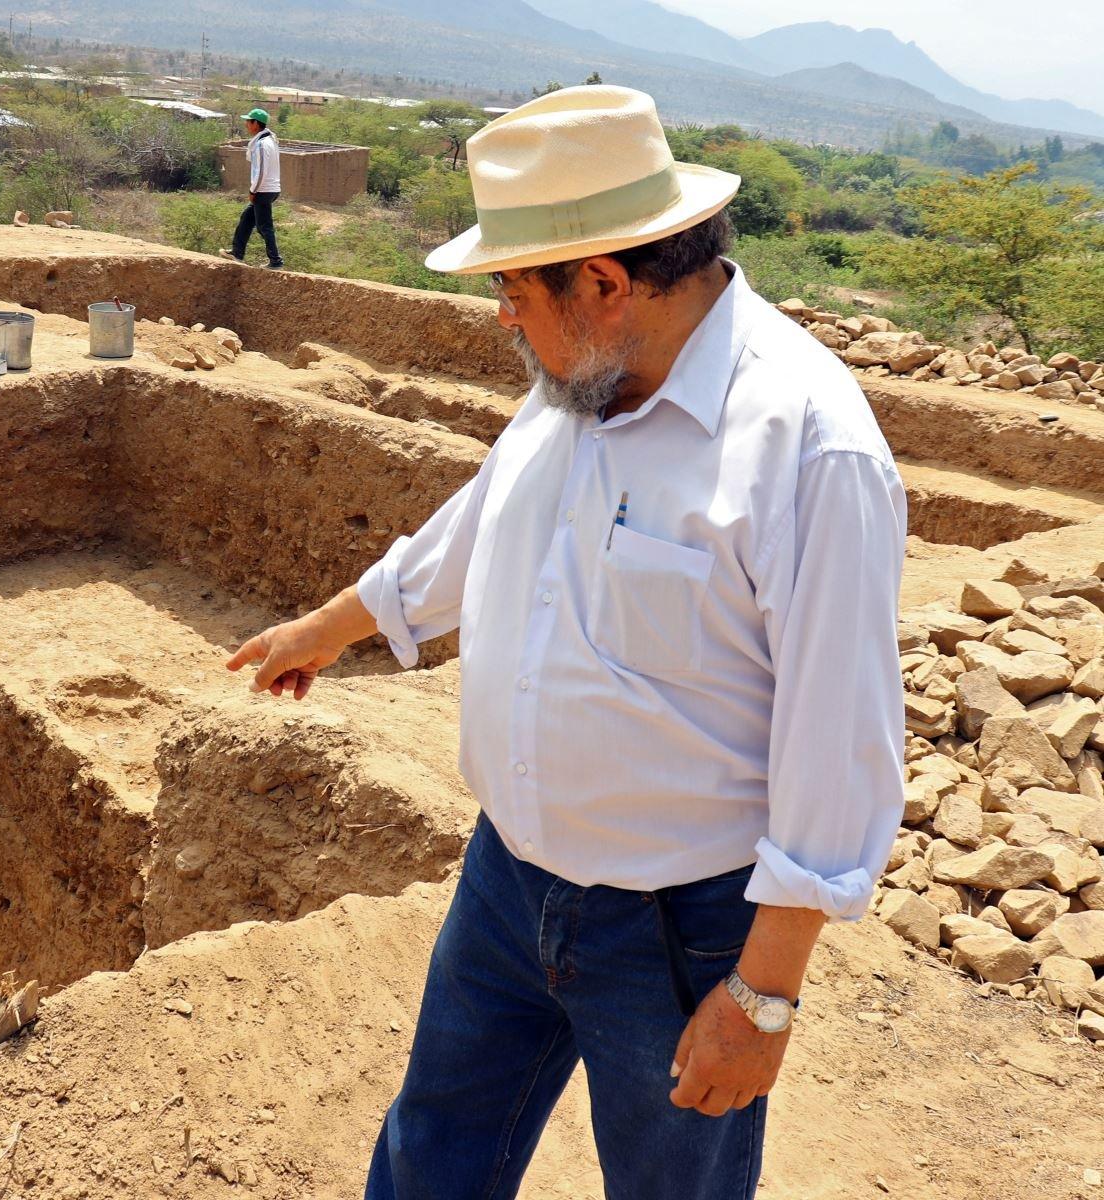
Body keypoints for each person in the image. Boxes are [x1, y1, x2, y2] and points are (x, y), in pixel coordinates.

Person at [226, 85, 906, 1200]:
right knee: (431, 1153)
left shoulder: (808, 449)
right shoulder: (577, 383)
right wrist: (331, 626)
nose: (500, 315)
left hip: (678, 931)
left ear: (601, 284)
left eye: (510, 287)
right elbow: (481, 526)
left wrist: (763, 996)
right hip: (506, 880)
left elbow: (842, 744)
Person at [219, 107, 282, 269]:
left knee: (264, 227)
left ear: (256, 124)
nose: (246, 124)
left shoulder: (261, 145)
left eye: (248, 121)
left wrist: (253, 191)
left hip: (263, 189)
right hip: (271, 188)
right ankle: (237, 252)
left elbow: (261, 171)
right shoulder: (270, 141)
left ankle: (275, 261)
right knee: (247, 219)